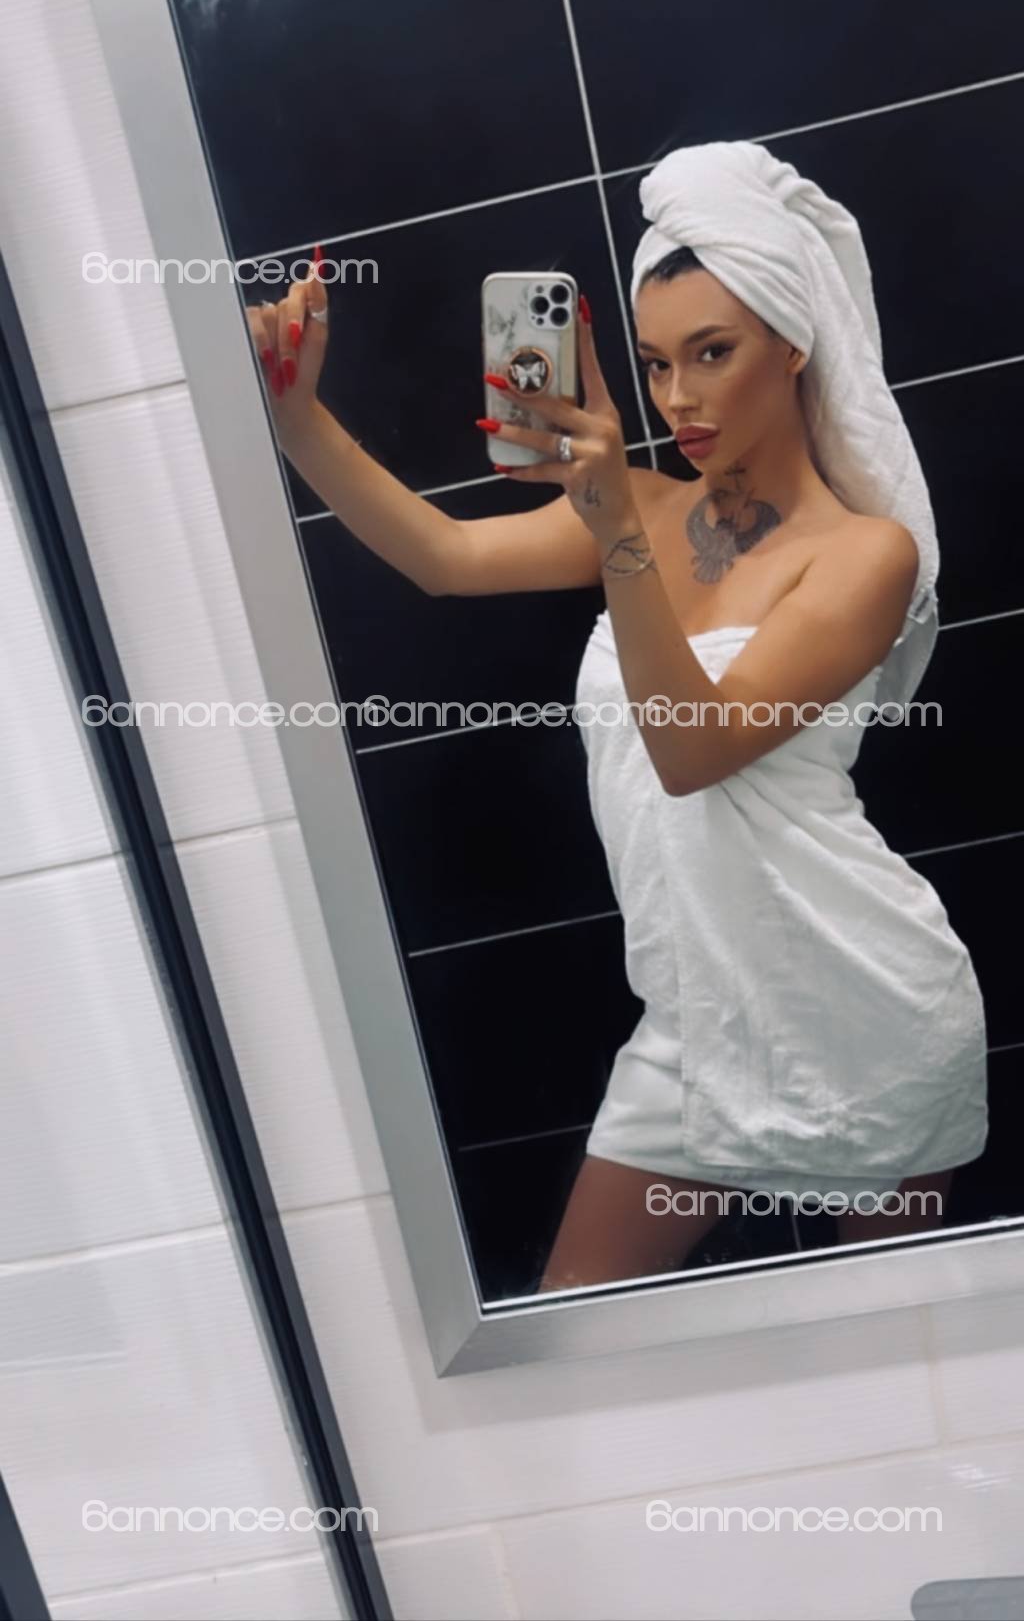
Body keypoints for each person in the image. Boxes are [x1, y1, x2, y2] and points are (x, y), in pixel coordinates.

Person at [247, 143, 988, 1295]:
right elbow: (442, 558)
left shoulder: (864, 556)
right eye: (652, 363)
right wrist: (298, 422)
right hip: (689, 1025)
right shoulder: (639, 505)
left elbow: (690, 750)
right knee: (577, 1324)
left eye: (712, 352)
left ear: (793, 342)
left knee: (900, 1341)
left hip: (859, 1006)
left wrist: (615, 530)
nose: (677, 398)